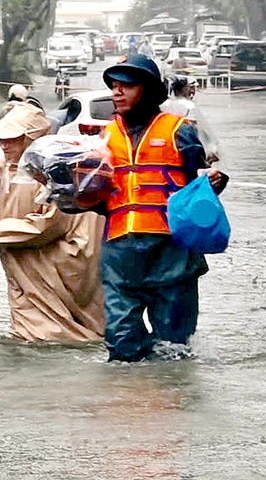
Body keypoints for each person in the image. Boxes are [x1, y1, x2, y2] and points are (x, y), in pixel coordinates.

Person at [97, 55, 227, 362]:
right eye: (114, 86)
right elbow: (93, 197)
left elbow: (199, 190)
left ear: (150, 90)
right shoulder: (104, 138)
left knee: (173, 349)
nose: (117, 93)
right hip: (120, 255)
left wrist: (214, 185)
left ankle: (170, 404)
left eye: (126, 86)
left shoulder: (179, 131)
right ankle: (128, 404)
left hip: (170, 253)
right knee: (120, 345)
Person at [0, 103, 105, 342]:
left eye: (11, 139)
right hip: (29, 262)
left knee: (53, 331)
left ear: (30, 139)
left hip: (58, 262)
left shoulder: (55, 170)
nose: (4, 145)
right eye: (1, 139)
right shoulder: (9, 166)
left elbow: (46, 225)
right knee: (34, 326)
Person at [161, 76, 221, 163]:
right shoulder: (189, 106)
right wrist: (210, 148)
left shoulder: (165, 105)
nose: (192, 91)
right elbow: (195, 127)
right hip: (188, 146)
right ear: (185, 89)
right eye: (190, 88)